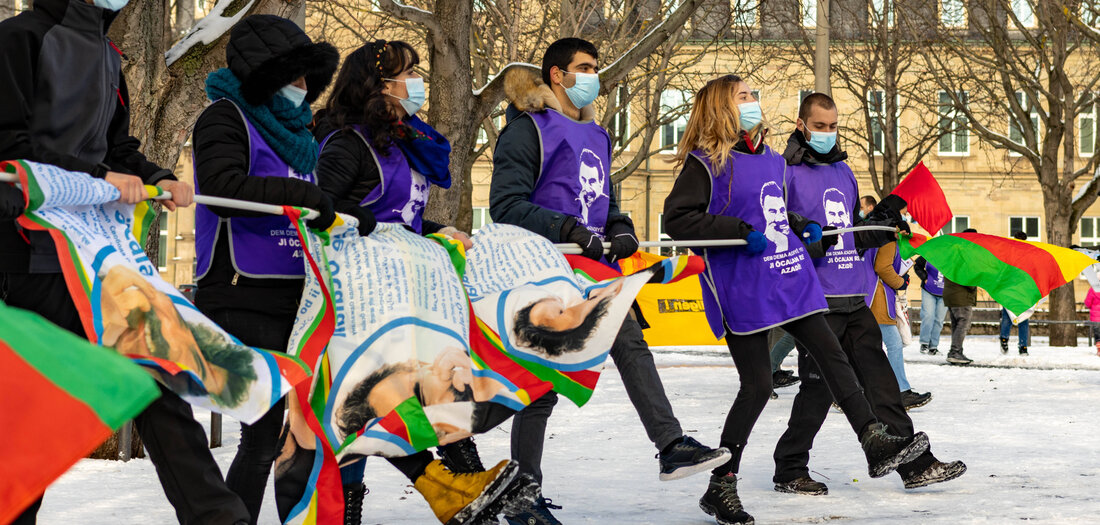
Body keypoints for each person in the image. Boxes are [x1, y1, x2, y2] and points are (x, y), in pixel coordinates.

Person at [0, 0, 250, 523]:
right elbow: (9, 144)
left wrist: (156, 176)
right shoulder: (19, 38)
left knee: (158, 380)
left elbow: (117, 149)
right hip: (31, 254)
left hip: (100, 256)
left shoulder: (109, 54)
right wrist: (97, 178)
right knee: (33, 421)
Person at [663, 78, 930, 525]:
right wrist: (733, 232)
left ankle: (873, 437)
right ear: (721, 107)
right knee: (758, 387)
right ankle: (721, 485)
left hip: (789, 276)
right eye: (744, 96)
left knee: (832, 355)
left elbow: (771, 208)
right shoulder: (706, 162)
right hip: (743, 286)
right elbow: (678, 218)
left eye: (754, 95)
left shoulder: (770, 158)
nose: (755, 102)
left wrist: (799, 222)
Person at [490, 37, 729, 524]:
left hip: (594, 269)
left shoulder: (596, 135)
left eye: (595, 67)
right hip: (545, 268)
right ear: (557, 75)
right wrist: (569, 230)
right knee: (542, 384)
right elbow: (505, 205)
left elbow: (606, 204)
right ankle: (666, 445)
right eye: (585, 67)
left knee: (610, 352)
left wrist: (620, 229)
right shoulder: (525, 130)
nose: (593, 75)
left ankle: (526, 492)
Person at [312, 40, 528, 524]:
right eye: (409, 73)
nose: (418, 84)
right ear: (378, 85)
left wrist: (434, 231)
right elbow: (322, 211)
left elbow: (395, 219)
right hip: (360, 300)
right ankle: (457, 487)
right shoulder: (348, 143)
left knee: (421, 390)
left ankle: (470, 484)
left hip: (403, 296)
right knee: (364, 403)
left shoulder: (400, 141)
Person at [190, 15, 341, 524]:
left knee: (278, 434)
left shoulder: (302, 136)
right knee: (261, 435)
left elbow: (320, 202)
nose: (303, 89)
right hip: (239, 292)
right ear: (264, 73)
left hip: (295, 296)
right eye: (293, 76)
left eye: (307, 78)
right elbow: (223, 190)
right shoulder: (224, 117)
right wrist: (303, 196)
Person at [774, 92, 962, 498]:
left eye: (833, 125)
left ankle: (914, 464)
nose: (827, 133)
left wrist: (876, 226)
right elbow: (780, 237)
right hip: (815, 302)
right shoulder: (783, 172)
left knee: (881, 384)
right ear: (801, 124)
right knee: (818, 389)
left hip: (853, 295)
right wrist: (805, 239)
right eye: (819, 126)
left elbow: (851, 236)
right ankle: (789, 467)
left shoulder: (843, 172)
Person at [869, 242, 932, 409]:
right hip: (879, 299)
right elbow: (882, 268)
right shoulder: (887, 240)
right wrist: (900, 281)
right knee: (892, 344)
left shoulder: (882, 239)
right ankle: (901, 391)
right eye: (904, 215)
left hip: (877, 297)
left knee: (869, 347)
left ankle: (849, 390)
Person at [943, 228, 979, 365]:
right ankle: (955, 352)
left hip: (950, 293)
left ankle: (956, 352)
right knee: (963, 323)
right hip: (961, 295)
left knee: (957, 324)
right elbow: (967, 276)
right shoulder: (966, 254)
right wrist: (974, 284)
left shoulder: (955, 252)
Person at [999, 230, 1031, 355]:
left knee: (1015, 317)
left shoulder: (1010, 254)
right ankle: (1021, 346)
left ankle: (1006, 340)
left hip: (1014, 290)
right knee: (1020, 317)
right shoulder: (1016, 254)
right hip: (1018, 290)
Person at [913, 256, 946, 355]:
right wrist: (924, 277)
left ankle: (933, 347)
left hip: (945, 292)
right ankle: (924, 343)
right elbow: (917, 265)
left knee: (939, 320)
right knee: (928, 316)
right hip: (928, 290)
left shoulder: (953, 254)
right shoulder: (929, 251)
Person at [1086, 287, 1100, 357]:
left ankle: (1099, 349)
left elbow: (1088, 303)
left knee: (1098, 335)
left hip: (1096, 317)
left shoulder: (1093, 289)